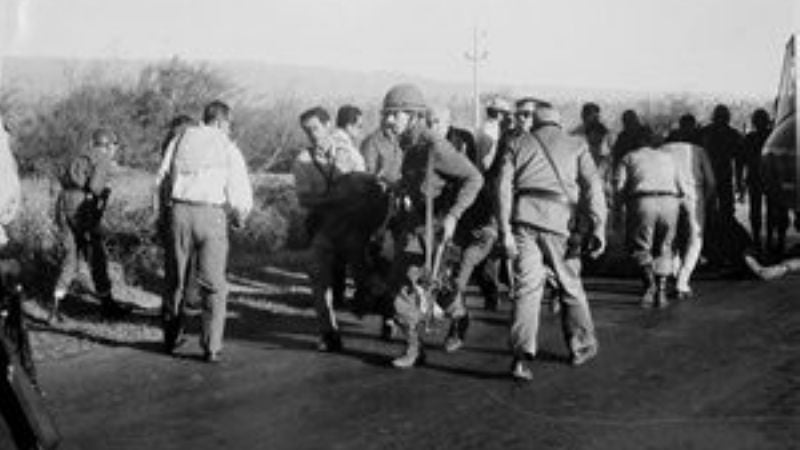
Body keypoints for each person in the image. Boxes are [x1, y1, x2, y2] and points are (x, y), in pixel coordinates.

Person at [496, 104, 606, 381]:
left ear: (535, 121)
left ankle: (520, 357)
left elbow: (502, 187)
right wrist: (599, 226)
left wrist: (504, 228)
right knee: (570, 285)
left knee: (527, 287)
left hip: (524, 222)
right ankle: (581, 346)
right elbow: (593, 186)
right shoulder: (576, 144)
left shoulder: (517, 143)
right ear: (559, 122)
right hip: (560, 224)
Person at [381, 84, 483, 369]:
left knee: (428, 289)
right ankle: (418, 345)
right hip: (414, 229)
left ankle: (453, 320)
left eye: (395, 114)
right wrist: (397, 187)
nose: (389, 121)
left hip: (435, 230)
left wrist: (454, 215)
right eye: (387, 114)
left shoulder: (437, 147)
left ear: (413, 115)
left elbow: (474, 178)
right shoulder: (411, 147)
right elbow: (417, 183)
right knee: (404, 287)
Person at [157, 100, 253, 363]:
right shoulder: (227, 146)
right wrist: (240, 215)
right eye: (229, 124)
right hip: (211, 215)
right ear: (222, 121)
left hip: (179, 212)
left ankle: (171, 338)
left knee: (175, 278)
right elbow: (239, 188)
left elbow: (163, 178)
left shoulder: (181, 139)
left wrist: (163, 215)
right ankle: (211, 346)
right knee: (213, 283)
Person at [292, 106, 370, 352]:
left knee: (366, 274)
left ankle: (376, 308)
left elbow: (363, 187)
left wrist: (332, 197)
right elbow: (304, 199)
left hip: (351, 225)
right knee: (318, 279)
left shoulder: (350, 154)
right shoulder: (303, 160)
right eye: (307, 131)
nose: (312, 135)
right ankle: (328, 332)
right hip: (323, 227)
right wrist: (334, 198)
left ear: (328, 126)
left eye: (315, 128)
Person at [52, 127, 131, 321]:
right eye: (114, 145)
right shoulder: (101, 158)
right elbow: (95, 187)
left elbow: (60, 181)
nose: (115, 150)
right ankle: (108, 306)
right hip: (82, 208)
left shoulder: (79, 156)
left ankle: (55, 309)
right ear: (107, 145)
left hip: (62, 204)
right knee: (97, 257)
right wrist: (104, 192)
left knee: (70, 259)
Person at [615, 127, 686, 308]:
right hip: (670, 202)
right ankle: (661, 292)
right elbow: (682, 187)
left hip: (643, 202)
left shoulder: (629, 157)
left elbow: (619, 187)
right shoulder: (668, 158)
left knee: (640, 246)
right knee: (665, 247)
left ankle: (650, 287)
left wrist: (618, 210)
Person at [662, 137, 716, 299]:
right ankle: (682, 282)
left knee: (670, 237)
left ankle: (673, 270)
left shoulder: (662, 149)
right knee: (695, 238)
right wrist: (705, 201)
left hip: (667, 196)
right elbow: (712, 182)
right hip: (693, 194)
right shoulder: (698, 150)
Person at [701, 104, 744, 227]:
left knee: (708, 210)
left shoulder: (704, 133)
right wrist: (739, 182)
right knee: (726, 210)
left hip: (708, 176)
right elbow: (739, 161)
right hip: (724, 175)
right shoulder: (733, 134)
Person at [738, 109, 773, 250]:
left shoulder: (749, 138)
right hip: (771, 179)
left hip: (754, 178)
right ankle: (770, 240)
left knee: (756, 210)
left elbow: (740, 161)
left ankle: (757, 240)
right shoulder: (772, 135)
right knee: (772, 210)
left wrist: (740, 180)